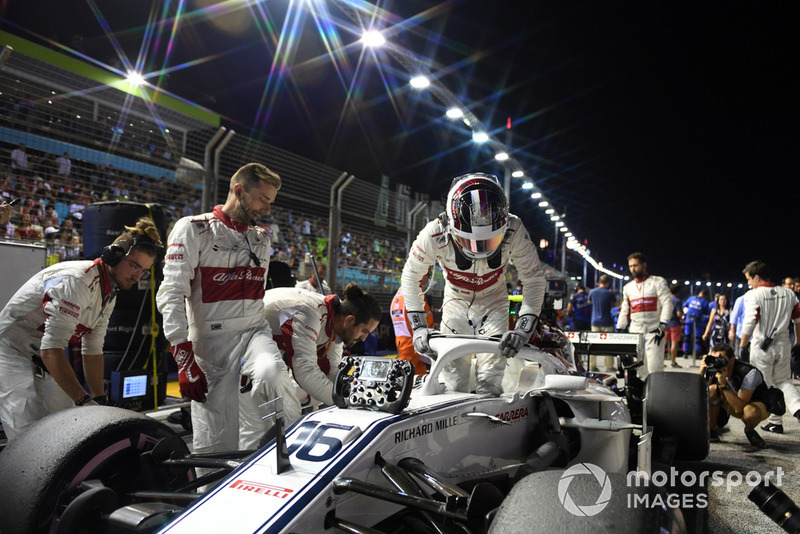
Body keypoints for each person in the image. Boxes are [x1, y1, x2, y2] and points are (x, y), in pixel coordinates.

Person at [156, 162, 287, 455]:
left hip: (253, 332)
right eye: (263, 199)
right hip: (210, 345)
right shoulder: (193, 229)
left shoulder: (261, 239)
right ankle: (210, 494)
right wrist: (184, 360)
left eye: (271, 202)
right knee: (216, 443)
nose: (267, 209)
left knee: (272, 375)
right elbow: (170, 295)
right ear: (239, 191)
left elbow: (256, 298)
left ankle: (267, 469)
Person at [0, 217, 162, 440]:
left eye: (143, 271)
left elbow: (93, 351)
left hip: (41, 356)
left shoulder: (108, 294)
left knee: (64, 426)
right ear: (113, 255)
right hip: (11, 350)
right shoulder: (78, 282)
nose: (137, 276)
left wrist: (100, 401)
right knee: (27, 435)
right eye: (134, 265)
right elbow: (52, 350)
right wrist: (84, 400)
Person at [400, 173, 546, 396]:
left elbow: (534, 279)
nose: (480, 248)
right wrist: (418, 326)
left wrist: (523, 329)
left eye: (489, 240)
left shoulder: (514, 229)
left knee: (490, 381)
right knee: (454, 381)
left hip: (494, 302)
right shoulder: (435, 232)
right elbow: (410, 277)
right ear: (450, 224)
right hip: (456, 302)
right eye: (471, 240)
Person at [240, 283, 382, 445]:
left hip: (262, 351)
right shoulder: (309, 312)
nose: (364, 338)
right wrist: (347, 402)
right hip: (242, 346)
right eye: (364, 331)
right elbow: (305, 371)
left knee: (273, 427)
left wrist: (358, 397)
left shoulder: (334, 326)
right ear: (349, 320)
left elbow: (332, 372)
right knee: (263, 429)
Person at [739, 260, 800, 434]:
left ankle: (773, 421)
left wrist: (742, 346)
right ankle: (796, 410)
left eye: (749, 279)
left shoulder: (753, 295)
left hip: (762, 346)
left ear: (757, 277)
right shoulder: (789, 294)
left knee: (764, 385)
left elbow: (750, 321)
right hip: (783, 344)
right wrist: (799, 342)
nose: (748, 283)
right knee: (784, 381)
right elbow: (798, 320)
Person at [701, 343, 772, 448]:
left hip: (756, 404)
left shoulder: (749, 373)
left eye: (721, 359)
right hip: (733, 399)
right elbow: (700, 395)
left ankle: (749, 430)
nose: (717, 362)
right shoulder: (714, 369)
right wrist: (702, 372)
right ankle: (712, 431)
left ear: (732, 360)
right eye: (714, 358)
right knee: (712, 390)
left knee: (750, 412)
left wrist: (724, 385)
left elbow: (739, 408)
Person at [615, 252, 673, 379]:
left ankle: (656, 395)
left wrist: (663, 324)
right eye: (630, 266)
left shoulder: (658, 282)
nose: (633, 269)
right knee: (638, 368)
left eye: (636, 265)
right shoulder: (628, 287)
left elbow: (667, 304)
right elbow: (625, 309)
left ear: (644, 265)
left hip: (654, 331)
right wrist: (620, 328)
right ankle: (640, 395)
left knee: (654, 367)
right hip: (636, 332)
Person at [391, 266, 434, 375]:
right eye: (428, 275)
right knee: (410, 383)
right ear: (423, 274)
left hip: (407, 345)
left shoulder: (401, 291)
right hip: (414, 346)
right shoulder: (414, 293)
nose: (428, 279)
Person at [588, 275, 616, 371]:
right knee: (608, 344)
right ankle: (609, 366)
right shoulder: (609, 293)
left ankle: (592, 365)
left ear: (599, 282)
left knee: (593, 344)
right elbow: (616, 304)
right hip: (607, 322)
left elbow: (589, 302)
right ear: (608, 283)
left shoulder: (592, 292)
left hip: (595, 321)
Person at [683, 289, 710, 356]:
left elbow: (684, 306)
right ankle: (696, 352)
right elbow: (707, 313)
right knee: (697, 338)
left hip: (689, 320)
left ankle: (686, 352)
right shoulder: (705, 302)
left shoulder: (691, 298)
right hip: (698, 321)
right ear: (705, 295)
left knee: (687, 336)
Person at [665, 284, 685, 368]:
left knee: (663, 343)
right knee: (674, 344)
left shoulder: (666, 299)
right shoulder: (677, 301)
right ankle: (673, 362)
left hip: (665, 323)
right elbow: (679, 314)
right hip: (675, 324)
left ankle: (660, 361)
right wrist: (683, 316)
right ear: (678, 291)